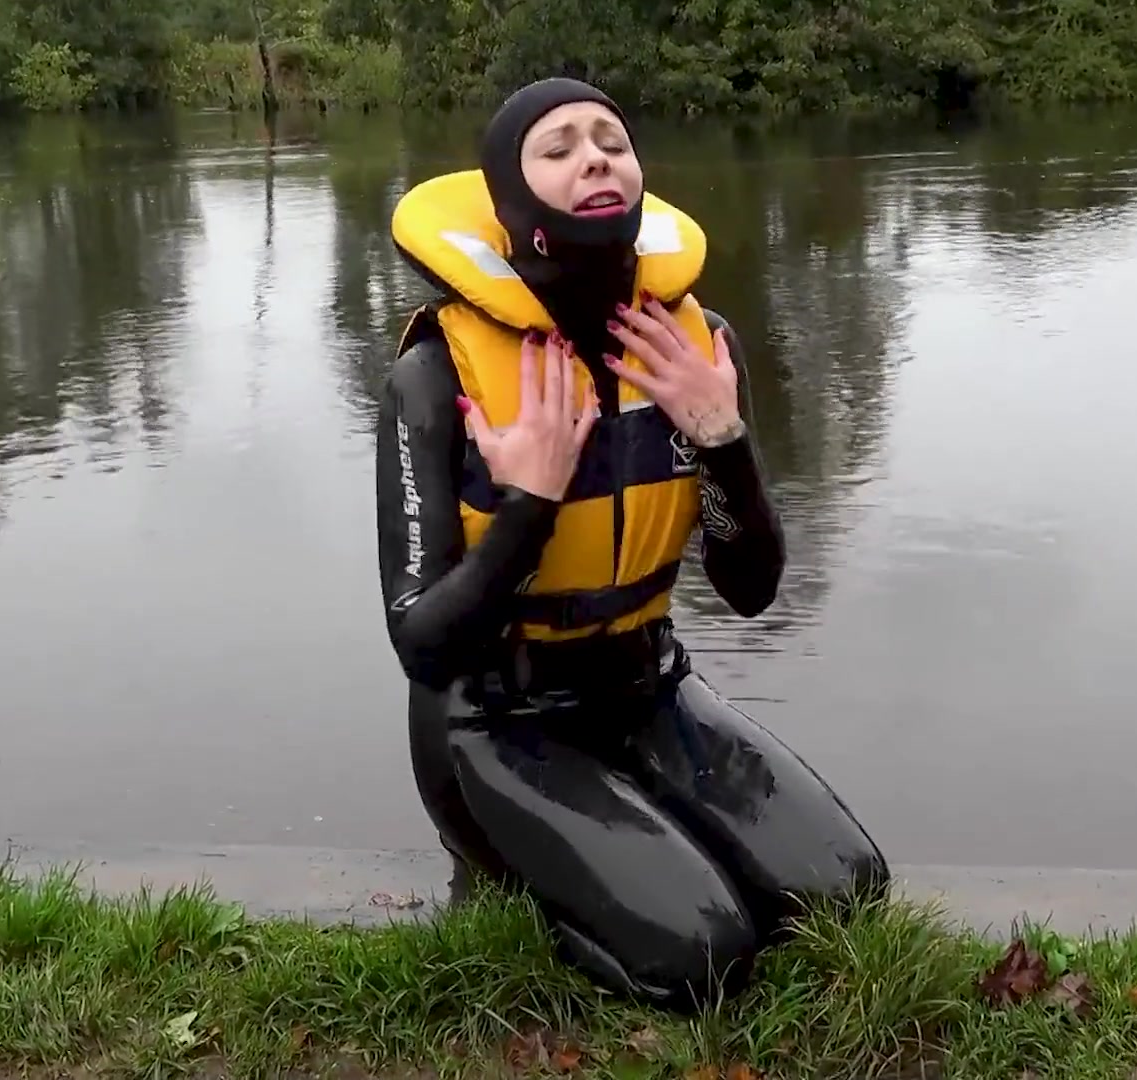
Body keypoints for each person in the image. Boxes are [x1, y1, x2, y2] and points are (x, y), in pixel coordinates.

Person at [373, 77, 889, 1012]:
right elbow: (422, 643)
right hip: (494, 724)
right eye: (559, 147)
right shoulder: (435, 374)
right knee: (706, 955)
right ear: (510, 199)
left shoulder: (698, 347)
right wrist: (529, 500)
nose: (594, 157)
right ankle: (524, 885)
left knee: (847, 892)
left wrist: (724, 445)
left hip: (648, 691)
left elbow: (751, 589)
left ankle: (639, 844)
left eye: (610, 138)